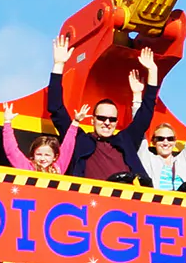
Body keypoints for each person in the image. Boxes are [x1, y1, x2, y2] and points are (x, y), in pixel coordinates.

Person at [46, 34, 160, 181]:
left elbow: (146, 113)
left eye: (112, 119)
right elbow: (56, 108)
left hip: (127, 194)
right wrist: (59, 64)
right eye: (101, 118)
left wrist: (153, 71)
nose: (107, 123)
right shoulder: (79, 139)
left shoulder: (125, 140)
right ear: (92, 120)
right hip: (90, 195)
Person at [143, 76, 186, 191]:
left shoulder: (183, 161)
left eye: (170, 138)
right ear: (153, 142)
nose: (165, 142)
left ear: (174, 141)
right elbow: (138, 131)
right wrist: (137, 97)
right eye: (160, 138)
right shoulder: (149, 159)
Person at [1, 102, 84, 174]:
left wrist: (75, 122)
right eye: (38, 154)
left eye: (47, 155)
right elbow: (11, 150)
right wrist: (7, 122)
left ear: (55, 157)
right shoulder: (27, 167)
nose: (43, 159)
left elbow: (67, 147)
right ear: (33, 155)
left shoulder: (58, 168)